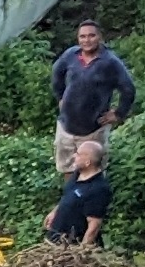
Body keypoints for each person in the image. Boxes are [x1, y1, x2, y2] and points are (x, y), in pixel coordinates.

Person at [47, 22, 139, 247]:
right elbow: (56, 76)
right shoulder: (70, 55)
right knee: (69, 166)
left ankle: (91, 212)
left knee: (92, 169)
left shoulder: (110, 63)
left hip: (93, 129)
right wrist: (61, 97)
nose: (86, 40)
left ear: (100, 37)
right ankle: (69, 205)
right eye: (82, 36)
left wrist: (118, 113)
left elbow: (128, 89)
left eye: (91, 36)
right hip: (67, 125)